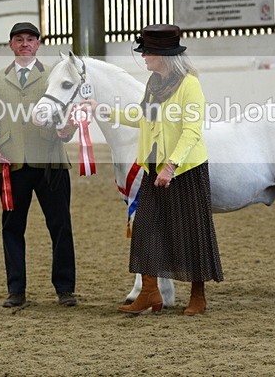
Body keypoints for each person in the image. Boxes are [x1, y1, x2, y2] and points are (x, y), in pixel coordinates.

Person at [96, 23, 223, 316]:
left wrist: (171, 166)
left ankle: (198, 296)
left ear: (163, 55)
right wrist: (106, 111)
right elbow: (143, 117)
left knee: (191, 231)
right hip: (155, 168)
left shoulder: (189, 84)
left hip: (185, 170)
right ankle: (150, 292)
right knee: (145, 228)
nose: (144, 58)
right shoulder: (154, 83)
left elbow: (192, 131)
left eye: (148, 52)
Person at [0, 21, 78, 308]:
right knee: (12, 227)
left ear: (38, 43)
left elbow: (66, 112)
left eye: (30, 39)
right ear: (11, 44)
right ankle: (16, 290)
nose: (25, 43)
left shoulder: (53, 75)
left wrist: (67, 130)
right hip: (13, 163)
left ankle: (65, 288)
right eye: (19, 39)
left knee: (60, 226)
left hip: (51, 161)